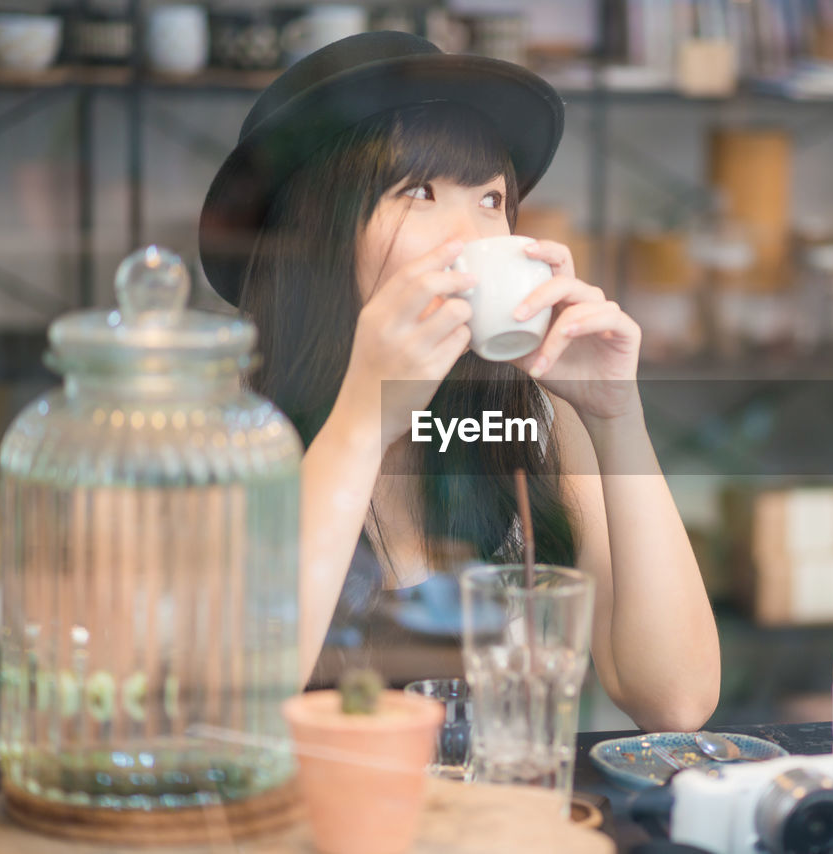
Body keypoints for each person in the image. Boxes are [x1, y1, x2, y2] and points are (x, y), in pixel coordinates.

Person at [199, 31, 719, 731]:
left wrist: (615, 416)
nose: (475, 238)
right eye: (418, 191)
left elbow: (676, 700)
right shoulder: (221, 437)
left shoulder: (525, 418)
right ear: (317, 235)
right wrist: (365, 415)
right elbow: (235, 710)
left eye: (490, 199)